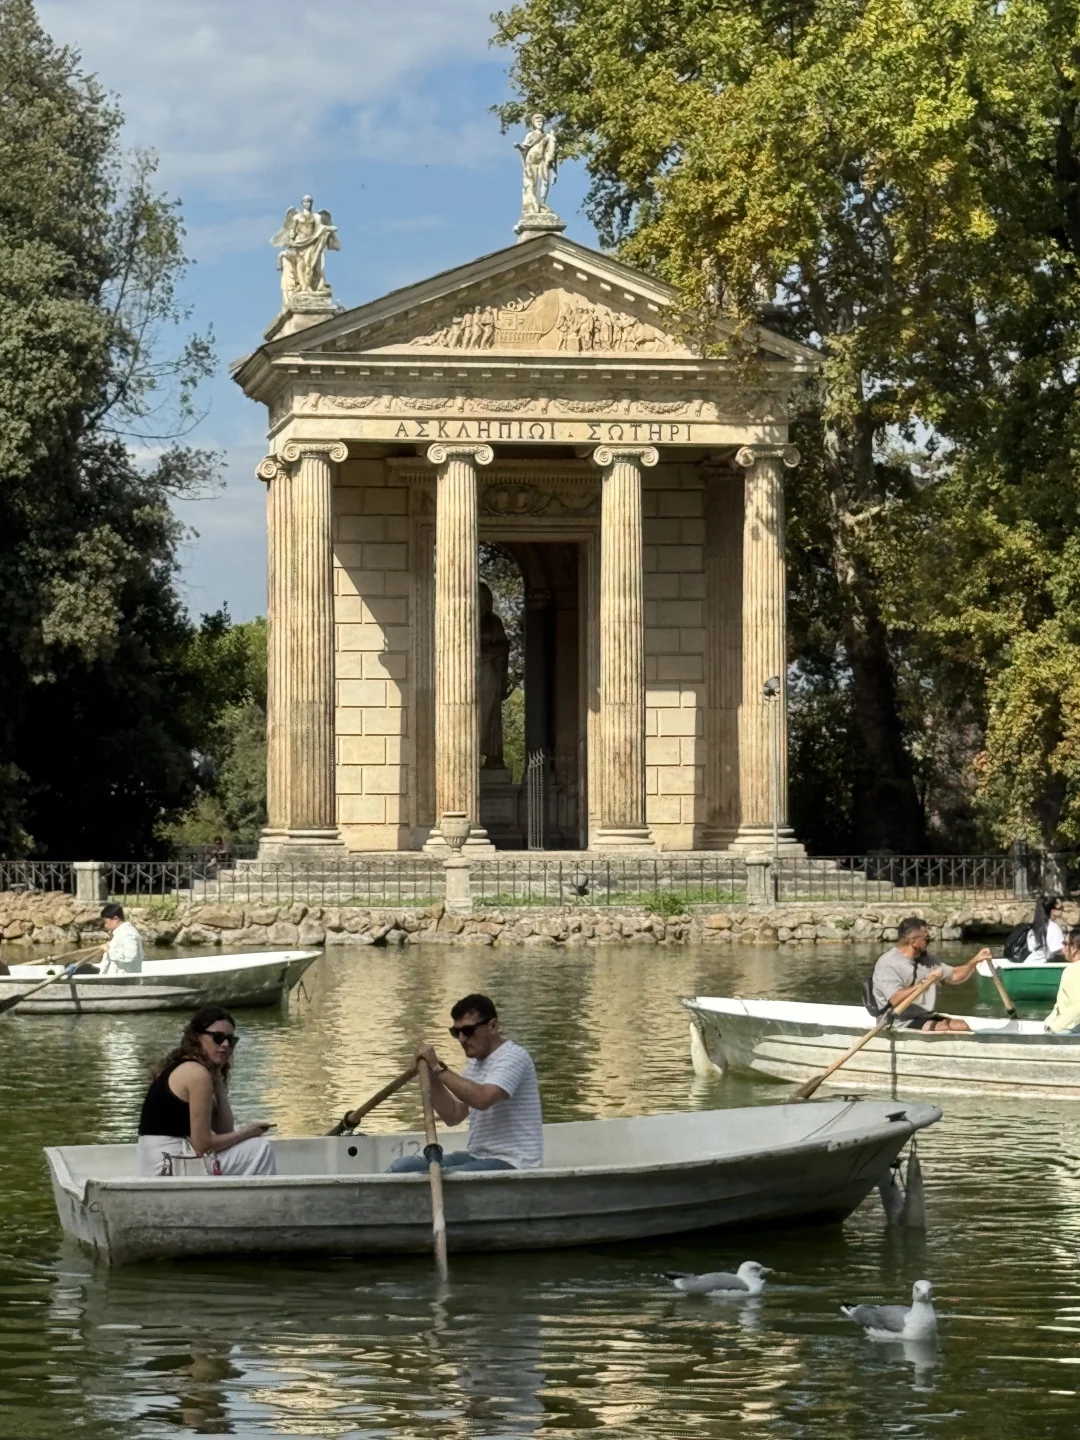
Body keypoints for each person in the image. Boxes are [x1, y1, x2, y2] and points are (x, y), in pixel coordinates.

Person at [387, 994, 542, 1173]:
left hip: (513, 1162)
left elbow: (482, 1099)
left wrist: (438, 1068)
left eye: (468, 1031)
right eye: (456, 1032)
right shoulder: (475, 1064)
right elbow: (453, 1115)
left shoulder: (514, 1057)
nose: (461, 1039)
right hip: (478, 1157)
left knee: (437, 1175)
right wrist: (432, 1076)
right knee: (403, 1167)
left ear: (493, 1026)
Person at [137, 1006, 275, 1177]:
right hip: (168, 1165)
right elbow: (202, 1146)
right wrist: (248, 1132)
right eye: (218, 1038)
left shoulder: (193, 1068)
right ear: (197, 1038)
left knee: (252, 1146)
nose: (225, 1045)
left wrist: (219, 1081)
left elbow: (224, 1130)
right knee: (260, 1148)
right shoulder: (196, 1073)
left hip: (170, 1161)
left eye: (231, 1040)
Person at [871, 916, 992, 1032]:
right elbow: (895, 999)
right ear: (913, 940)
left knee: (961, 1026)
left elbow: (954, 976)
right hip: (897, 1020)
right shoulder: (888, 963)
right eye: (926, 939)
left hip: (924, 1015)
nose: (929, 941)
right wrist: (925, 983)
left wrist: (974, 961)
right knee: (943, 1028)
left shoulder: (927, 959)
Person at [1045, 928, 1080, 1033]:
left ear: (1074, 948)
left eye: (1065, 944)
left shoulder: (1073, 970)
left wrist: (1053, 1027)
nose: (1062, 949)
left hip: (1070, 1030)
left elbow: (1078, 1007)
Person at [99, 903, 144, 974]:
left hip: (125, 978)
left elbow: (130, 957)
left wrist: (109, 950)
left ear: (115, 919)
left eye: (106, 922)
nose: (105, 926)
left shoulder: (128, 933)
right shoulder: (120, 932)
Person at [1026, 894, 1065, 963]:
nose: (1062, 911)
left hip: (1029, 963)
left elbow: (1030, 949)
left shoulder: (1032, 929)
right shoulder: (1054, 928)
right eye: (1060, 909)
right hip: (1044, 965)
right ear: (1052, 911)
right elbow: (1060, 952)